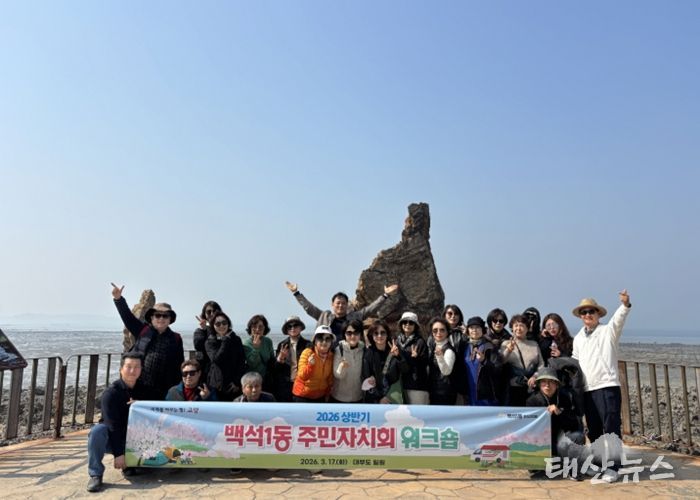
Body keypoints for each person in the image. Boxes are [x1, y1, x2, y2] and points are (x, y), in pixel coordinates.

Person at [571, 290, 631, 483]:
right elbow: (575, 360)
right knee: (594, 429)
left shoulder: (608, 331)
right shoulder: (578, 338)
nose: (587, 315)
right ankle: (598, 463)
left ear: (598, 314)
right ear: (580, 316)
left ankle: (613, 467)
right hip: (588, 389)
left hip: (607, 386)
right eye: (584, 312)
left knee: (611, 427)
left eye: (591, 311)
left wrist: (624, 305)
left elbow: (618, 320)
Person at [111, 283, 184, 400]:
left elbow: (179, 365)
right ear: (152, 317)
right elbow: (127, 317)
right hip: (140, 387)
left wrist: (179, 388)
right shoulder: (143, 330)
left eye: (165, 316)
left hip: (165, 390)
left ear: (170, 319)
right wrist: (118, 299)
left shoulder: (176, 338)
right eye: (158, 315)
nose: (161, 318)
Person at [86, 352, 146, 492]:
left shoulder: (146, 390)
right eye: (129, 366)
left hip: (135, 438)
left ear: (141, 370)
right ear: (121, 369)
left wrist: (142, 404)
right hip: (114, 438)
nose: (132, 370)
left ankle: (130, 463)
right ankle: (95, 474)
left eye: (137, 367)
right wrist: (119, 454)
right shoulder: (111, 393)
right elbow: (112, 426)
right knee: (97, 431)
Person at [285, 281, 399, 338]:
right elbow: (308, 308)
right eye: (338, 303)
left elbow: (371, 309)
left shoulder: (355, 317)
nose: (340, 306)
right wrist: (296, 293)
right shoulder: (325, 316)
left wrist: (385, 295)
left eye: (343, 303)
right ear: (332, 304)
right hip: (328, 354)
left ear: (347, 304)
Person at [526, 367, 584, 478]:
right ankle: (539, 466)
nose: (547, 385)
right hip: (541, 441)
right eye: (543, 382)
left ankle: (571, 468)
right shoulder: (532, 401)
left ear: (557, 384)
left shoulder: (565, 398)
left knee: (578, 436)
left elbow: (573, 423)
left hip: (559, 440)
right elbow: (529, 427)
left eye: (551, 382)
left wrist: (559, 412)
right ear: (539, 384)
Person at [500, 314, 544, 406]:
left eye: (522, 325)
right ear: (512, 328)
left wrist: (535, 376)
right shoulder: (506, 343)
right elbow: (501, 362)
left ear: (527, 328)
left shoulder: (534, 344)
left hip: (531, 387)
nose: (518, 328)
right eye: (516, 325)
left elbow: (541, 364)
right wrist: (508, 351)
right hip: (512, 388)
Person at [459, 317, 501, 406]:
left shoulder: (490, 347)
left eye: (477, 327)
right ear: (468, 330)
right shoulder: (464, 347)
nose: (474, 330)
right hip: (469, 394)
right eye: (471, 327)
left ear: (483, 330)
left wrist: (484, 360)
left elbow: (498, 369)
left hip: (486, 395)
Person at [205, 311, 246, 401]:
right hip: (217, 384)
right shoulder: (210, 341)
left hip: (233, 384)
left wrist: (237, 382)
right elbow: (216, 360)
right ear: (213, 326)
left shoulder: (236, 339)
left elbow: (241, 361)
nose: (221, 326)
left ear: (228, 324)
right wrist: (225, 340)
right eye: (218, 324)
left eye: (224, 323)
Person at [362, 319, 405, 404]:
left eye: (383, 333)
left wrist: (398, 357)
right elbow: (367, 378)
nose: (379, 336)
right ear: (371, 335)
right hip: (375, 400)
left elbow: (405, 370)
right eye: (376, 333)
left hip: (393, 396)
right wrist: (380, 398)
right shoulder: (368, 354)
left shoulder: (394, 349)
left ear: (387, 334)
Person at [292, 325, 335, 402]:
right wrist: (310, 365)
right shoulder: (307, 353)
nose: (324, 342)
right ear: (315, 341)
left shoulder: (331, 356)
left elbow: (330, 378)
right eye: (320, 338)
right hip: (302, 396)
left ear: (331, 342)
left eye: (328, 339)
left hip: (320, 396)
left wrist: (328, 393)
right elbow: (302, 376)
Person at [273, 315, 311, 402]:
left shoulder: (308, 345)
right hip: (285, 386)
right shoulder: (282, 345)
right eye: (289, 326)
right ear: (286, 330)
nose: (292, 328)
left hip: (302, 385)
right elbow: (276, 369)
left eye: (295, 325)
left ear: (300, 328)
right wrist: (280, 359)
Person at [395, 311, 429, 405]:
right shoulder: (397, 341)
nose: (407, 324)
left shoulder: (420, 342)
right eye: (405, 322)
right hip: (401, 385)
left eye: (411, 322)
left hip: (417, 387)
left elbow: (425, 363)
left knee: (418, 413)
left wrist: (417, 358)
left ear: (415, 326)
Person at [331, 319, 365, 403]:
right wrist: (342, 367)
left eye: (356, 333)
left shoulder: (364, 350)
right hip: (339, 398)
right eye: (349, 333)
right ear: (344, 334)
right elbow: (337, 375)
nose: (352, 336)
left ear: (360, 334)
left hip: (358, 397)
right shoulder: (339, 350)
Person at [427, 317, 457, 405]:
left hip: (445, 394)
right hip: (434, 391)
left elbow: (446, 371)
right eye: (435, 330)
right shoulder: (433, 346)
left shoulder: (449, 350)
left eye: (442, 330)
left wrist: (440, 357)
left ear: (447, 332)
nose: (438, 333)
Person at [242, 314, 275, 389]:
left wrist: (280, 358)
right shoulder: (246, 343)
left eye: (260, 327)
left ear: (265, 328)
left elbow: (271, 360)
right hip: (252, 381)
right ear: (250, 328)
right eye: (254, 327)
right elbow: (252, 364)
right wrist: (256, 348)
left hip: (266, 379)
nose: (257, 329)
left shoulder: (268, 341)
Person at [192, 300, 222, 378]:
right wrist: (206, 329)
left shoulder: (224, 330)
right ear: (204, 315)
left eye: (215, 311)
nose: (212, 314)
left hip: (222, 370)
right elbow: (199, 346)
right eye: (209, 312)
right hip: (206, 371)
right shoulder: (199, 331)